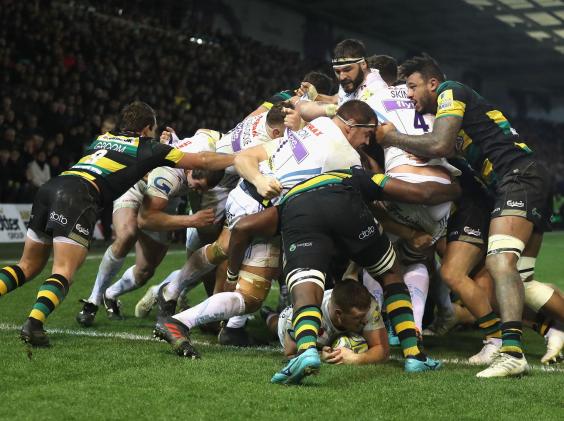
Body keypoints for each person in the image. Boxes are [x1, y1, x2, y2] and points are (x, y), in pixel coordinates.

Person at [0, 101, 234, 347]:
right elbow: (202, 160)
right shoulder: (149, 147)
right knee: (63, 271)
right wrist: (239, 157)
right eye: (153, 130)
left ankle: (69, 309)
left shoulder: (103, 138)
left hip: (51, 188)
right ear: (147, 128)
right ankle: (34, 324)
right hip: (78, 197)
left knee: (27, 266)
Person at [377, 53, 554, 378]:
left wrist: (391, 138)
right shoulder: (446, 114)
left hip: (518, 176)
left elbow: (440, 144)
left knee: (499, 263)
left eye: (413, 86)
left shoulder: (451, 91)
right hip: (519, 181)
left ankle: (511, 351)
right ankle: (552, 330)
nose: (410, 95)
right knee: (523, 282)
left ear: (433, 83)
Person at [75, 128, 224, 326]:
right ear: (189, 169)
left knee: (145, 270)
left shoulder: (208, 144)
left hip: (164, 201)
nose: (197, 190)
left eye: (203, 188)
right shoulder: (169, 177)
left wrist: (175, 140)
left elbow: (206, 133)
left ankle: (110, 294)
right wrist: (191, 220)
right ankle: (92, 301)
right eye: (196, 185)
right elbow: (145, 220)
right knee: (127, 235)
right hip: (136, 188)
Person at [268, 279, 389, 365]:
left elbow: (382, 349)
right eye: (358, 318)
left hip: (330, 328)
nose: (365, 321)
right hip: (287, 318)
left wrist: (357, 359)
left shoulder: (369, 307)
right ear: (338, 314)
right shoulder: (307, 318)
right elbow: (290, 355)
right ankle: (268, 314)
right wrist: (321, 356)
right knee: (275, 324)